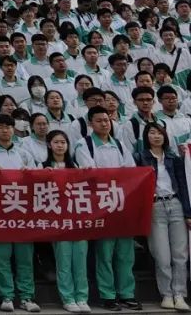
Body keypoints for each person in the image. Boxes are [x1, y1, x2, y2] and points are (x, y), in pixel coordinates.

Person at [74, 107, 141, 311]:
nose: (104, 123)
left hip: (122, 204)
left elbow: (131, 173)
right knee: (105, 254)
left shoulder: (120, 145)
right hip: (100, 206)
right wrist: (115, 177)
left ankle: (126, 294)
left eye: (107, 120)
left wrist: (116, 178)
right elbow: (92, 174)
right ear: (90, 123)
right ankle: (108, 295)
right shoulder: (83, 144)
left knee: (125, 254)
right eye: (99, 120)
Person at [0, 113, 39, 313]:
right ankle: (6, 295)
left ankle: (26, 297)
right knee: (2, 257)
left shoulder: (23, 152)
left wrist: (29, 173)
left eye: (8, 127)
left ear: (13, 128)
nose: (4, 130)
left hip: (22, 211)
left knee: (25, 257)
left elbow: (37, 178)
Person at [134, 122, 191, 310]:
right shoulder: (140, 157)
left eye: (160, 133)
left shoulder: (174, 158)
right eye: (152, 132)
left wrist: (187, 212)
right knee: (162, 254)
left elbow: (183, 186)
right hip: (155, 206)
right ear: (146, 136)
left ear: (165, 136)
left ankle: (180, 294)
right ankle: (166, 294)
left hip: (175, 204)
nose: (156, 136)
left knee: (180, 255)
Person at [41, 131, 89, 313]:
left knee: (80, 260)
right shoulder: (43, 166)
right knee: (64, 260)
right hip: (57, 221)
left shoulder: (75, 166)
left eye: (63, 142)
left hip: (77, 219)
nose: (60, 145)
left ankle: (82, 297)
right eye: (56, 142)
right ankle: (68, 297)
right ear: (49, 145)